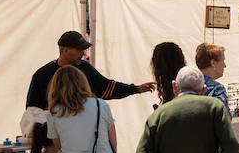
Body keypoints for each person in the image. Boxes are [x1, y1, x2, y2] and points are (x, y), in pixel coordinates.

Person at [26, 30, 154, 111]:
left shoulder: (85, 68)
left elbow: (106, 87)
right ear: (65, 50)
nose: (82, 53)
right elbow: (32, 110)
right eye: (79, 49)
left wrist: (136, 89)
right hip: (55, 141)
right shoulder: (42, 75)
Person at [195, 43, 231, 116]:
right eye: (223, 60)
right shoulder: (217, 89)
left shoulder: (186, 85)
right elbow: (225, 119)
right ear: (213, 63)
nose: (225, 65)